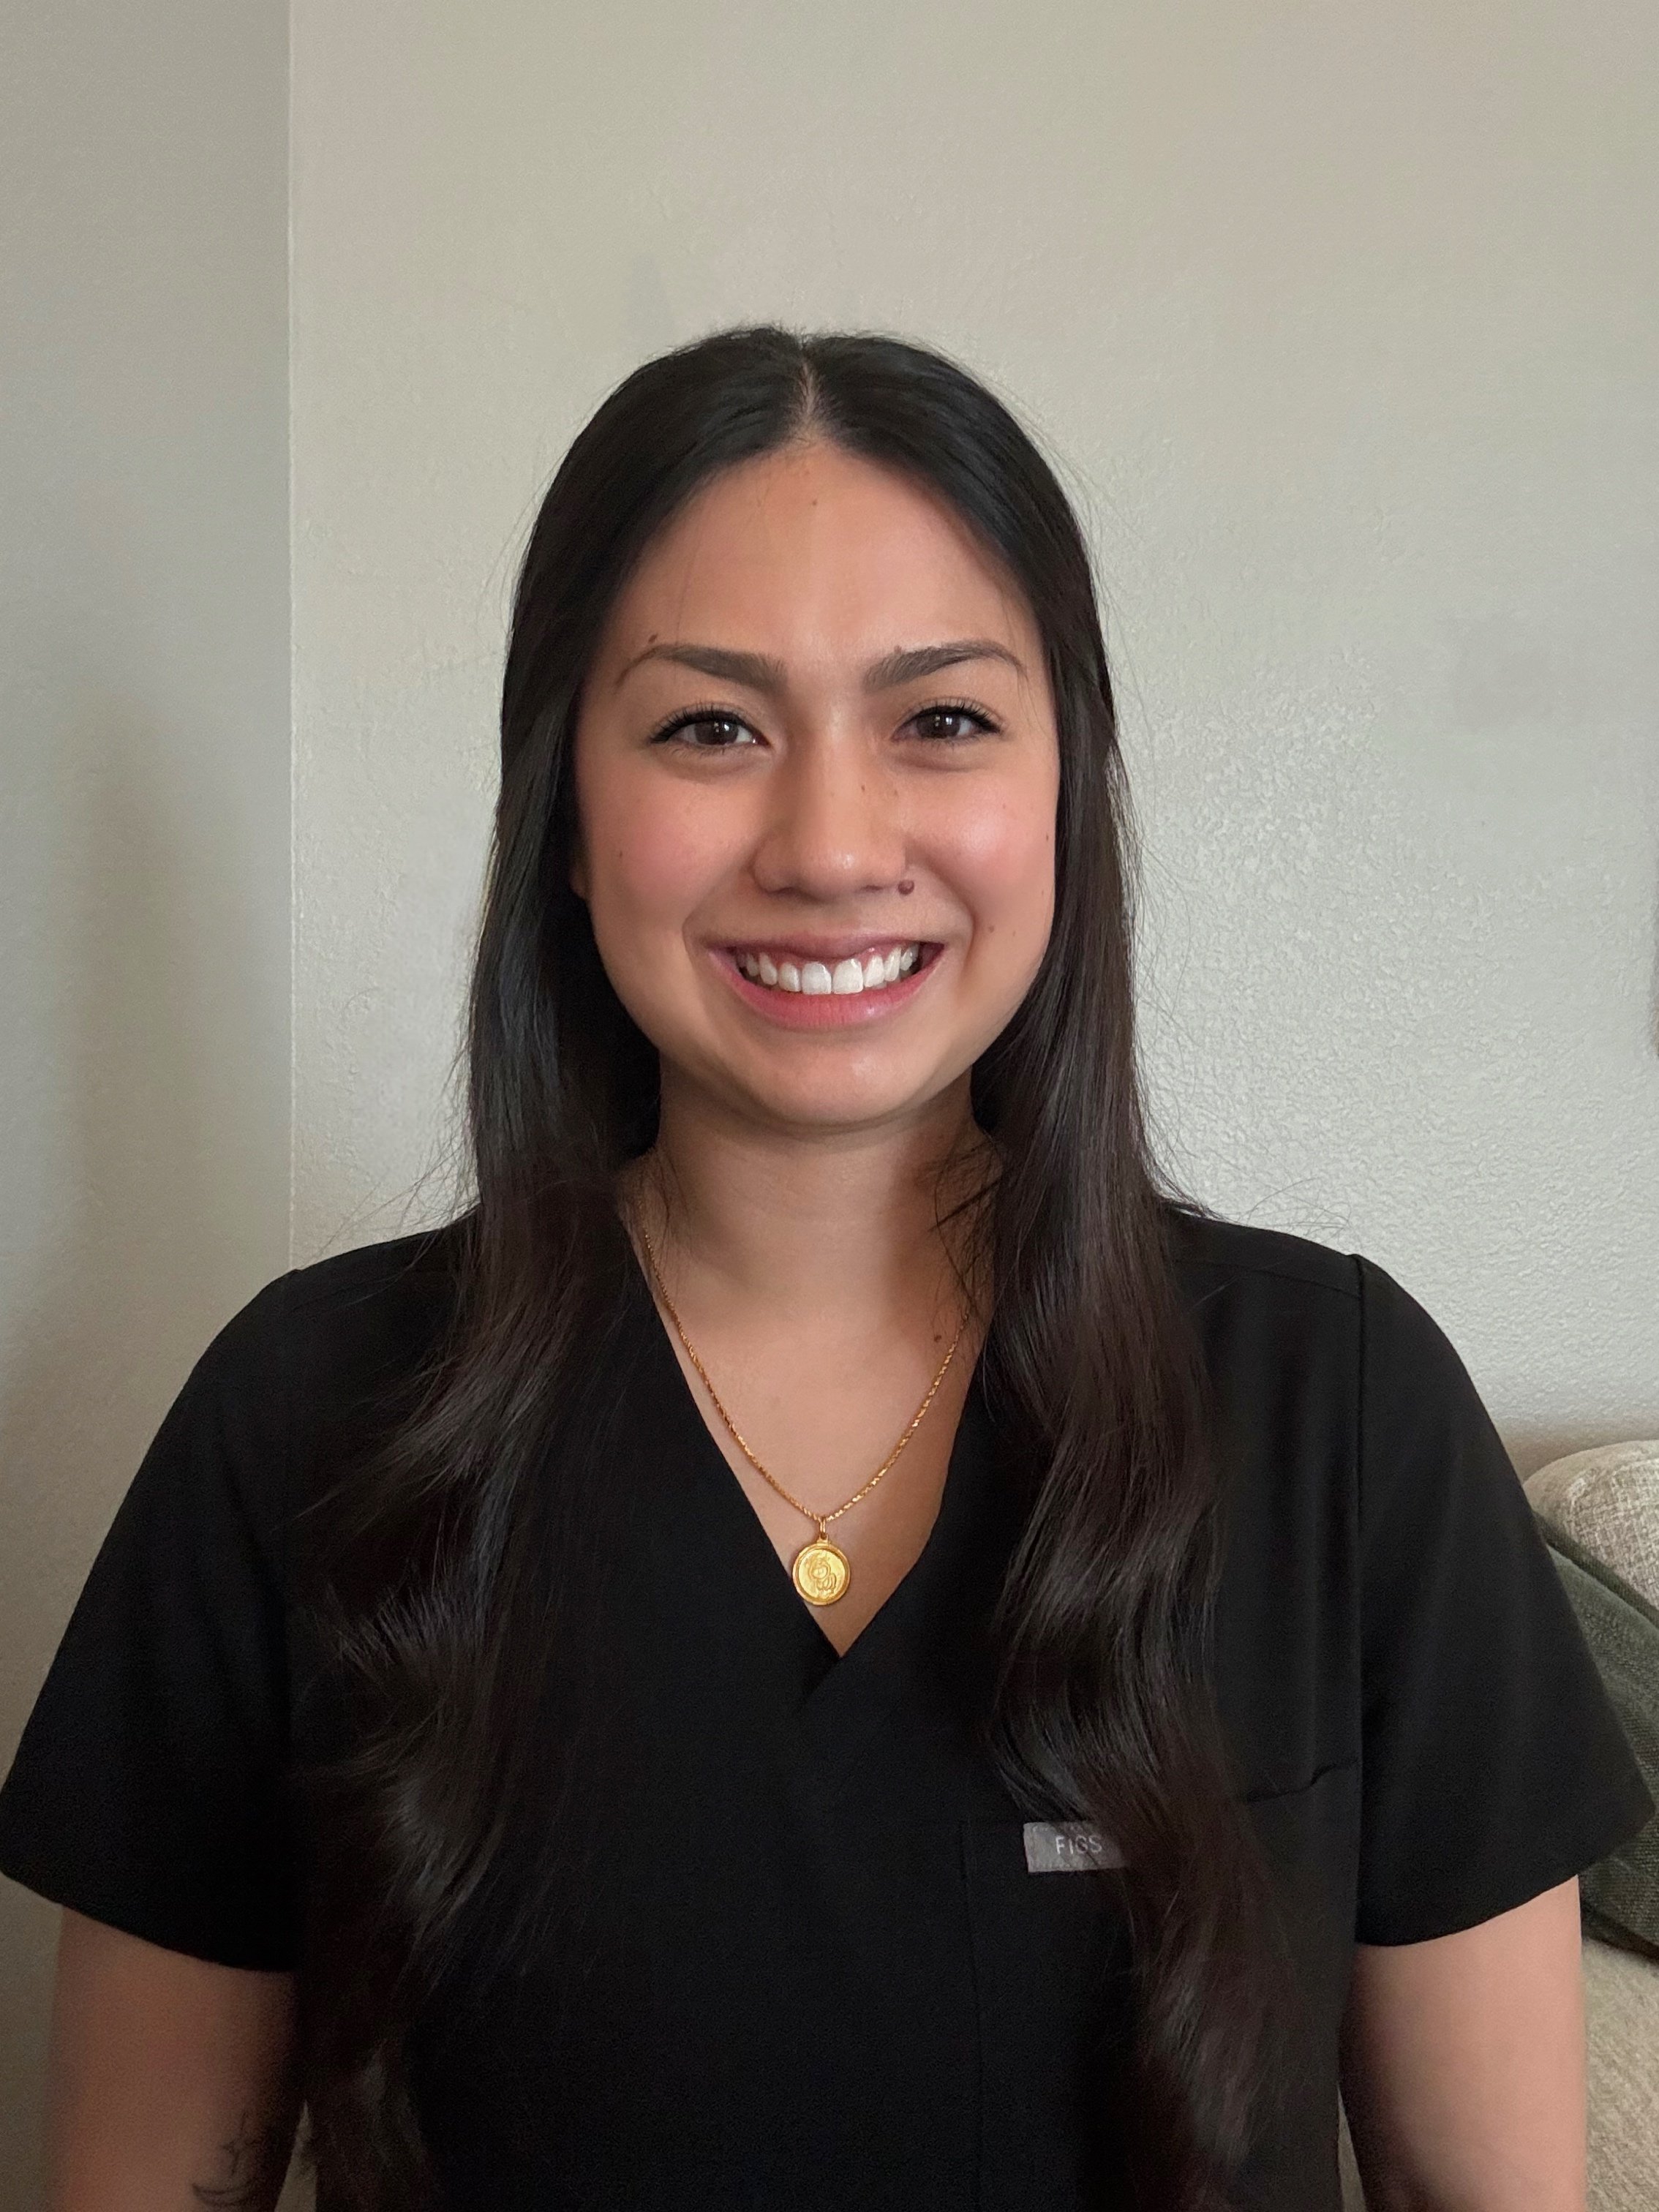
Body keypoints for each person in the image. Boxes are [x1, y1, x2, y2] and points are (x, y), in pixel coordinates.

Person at [0, 328, 1649, 2212]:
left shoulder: (1337, 1407)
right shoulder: (307, 1413)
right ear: (563, 805)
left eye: (940, 719)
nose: (831, 843)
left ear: (1068, 789)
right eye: (711, 726)